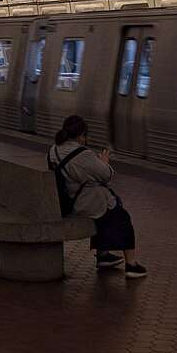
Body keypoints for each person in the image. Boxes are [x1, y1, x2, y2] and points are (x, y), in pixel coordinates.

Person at [46, 115, 147, 278]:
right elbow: (106, 175)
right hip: (81, 203)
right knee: (121, 215)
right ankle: (131, 264)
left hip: (64, 200)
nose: (85, 140)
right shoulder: (82, 154)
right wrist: (104, 161)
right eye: (85, 136)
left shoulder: (53, 150)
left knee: (105, 209)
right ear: (81, 135)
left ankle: (103, 255)